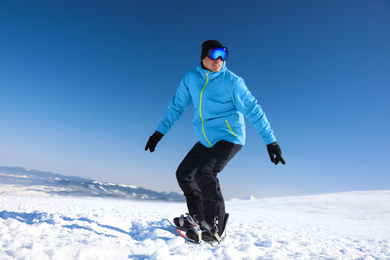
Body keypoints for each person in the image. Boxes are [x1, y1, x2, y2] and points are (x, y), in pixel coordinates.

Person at [145, 40, 285, 243]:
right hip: (207, 139)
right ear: (203, 56)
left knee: (206, 172)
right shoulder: (191, 78)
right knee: (184, 174)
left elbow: (254, 110)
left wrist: (270, 141)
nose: (219, 60)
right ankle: (198, 219)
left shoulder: (233, 82)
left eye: (223, 55)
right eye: (214, 54)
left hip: (230, 136)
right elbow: (176, 107)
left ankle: (216, 228)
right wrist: (159, 133)